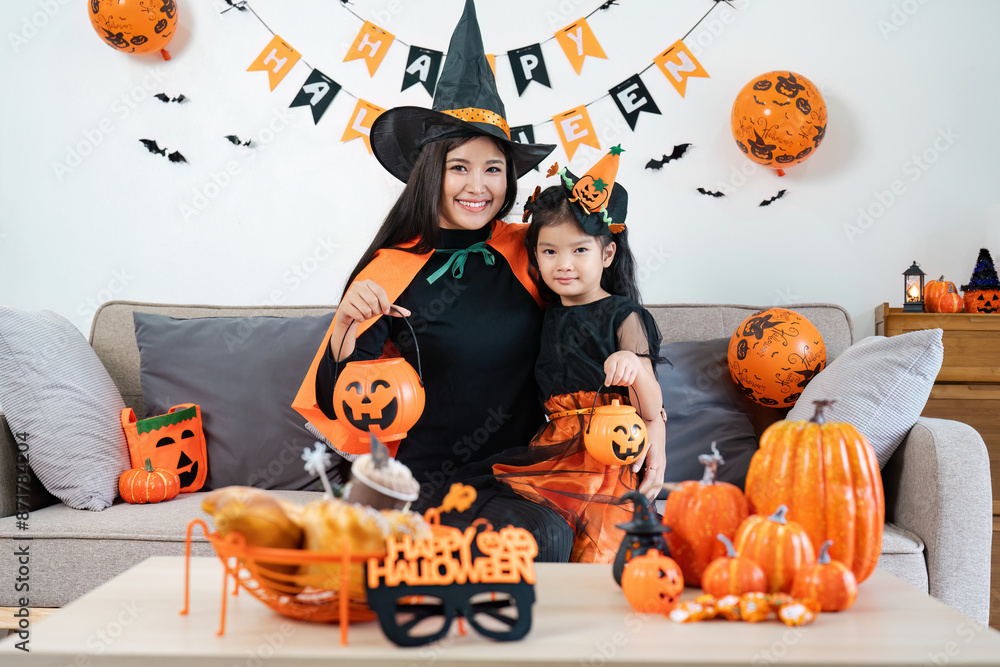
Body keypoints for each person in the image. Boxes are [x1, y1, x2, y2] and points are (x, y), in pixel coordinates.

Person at [292, 0, 575, 561]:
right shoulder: (391, 267)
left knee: (537, 539)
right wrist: (348, 322)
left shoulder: (532, 251)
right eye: (459, 167)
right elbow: (341, 396)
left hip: (510, 480)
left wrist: (642, 377)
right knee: (386, 551)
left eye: (493, 168)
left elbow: (598, 304)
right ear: (431, 173)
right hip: (414, 482)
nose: (479, 185)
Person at [488, 145, 667, 563]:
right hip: (557, 446)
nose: (563, 264)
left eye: (579, 250)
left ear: (607, 254)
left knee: (603, 548)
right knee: (546, 537)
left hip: (612, 450)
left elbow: (652, 405)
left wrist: (635, 369)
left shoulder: (625, 316)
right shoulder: (546, 315)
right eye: (550, 251)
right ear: (535, 255)